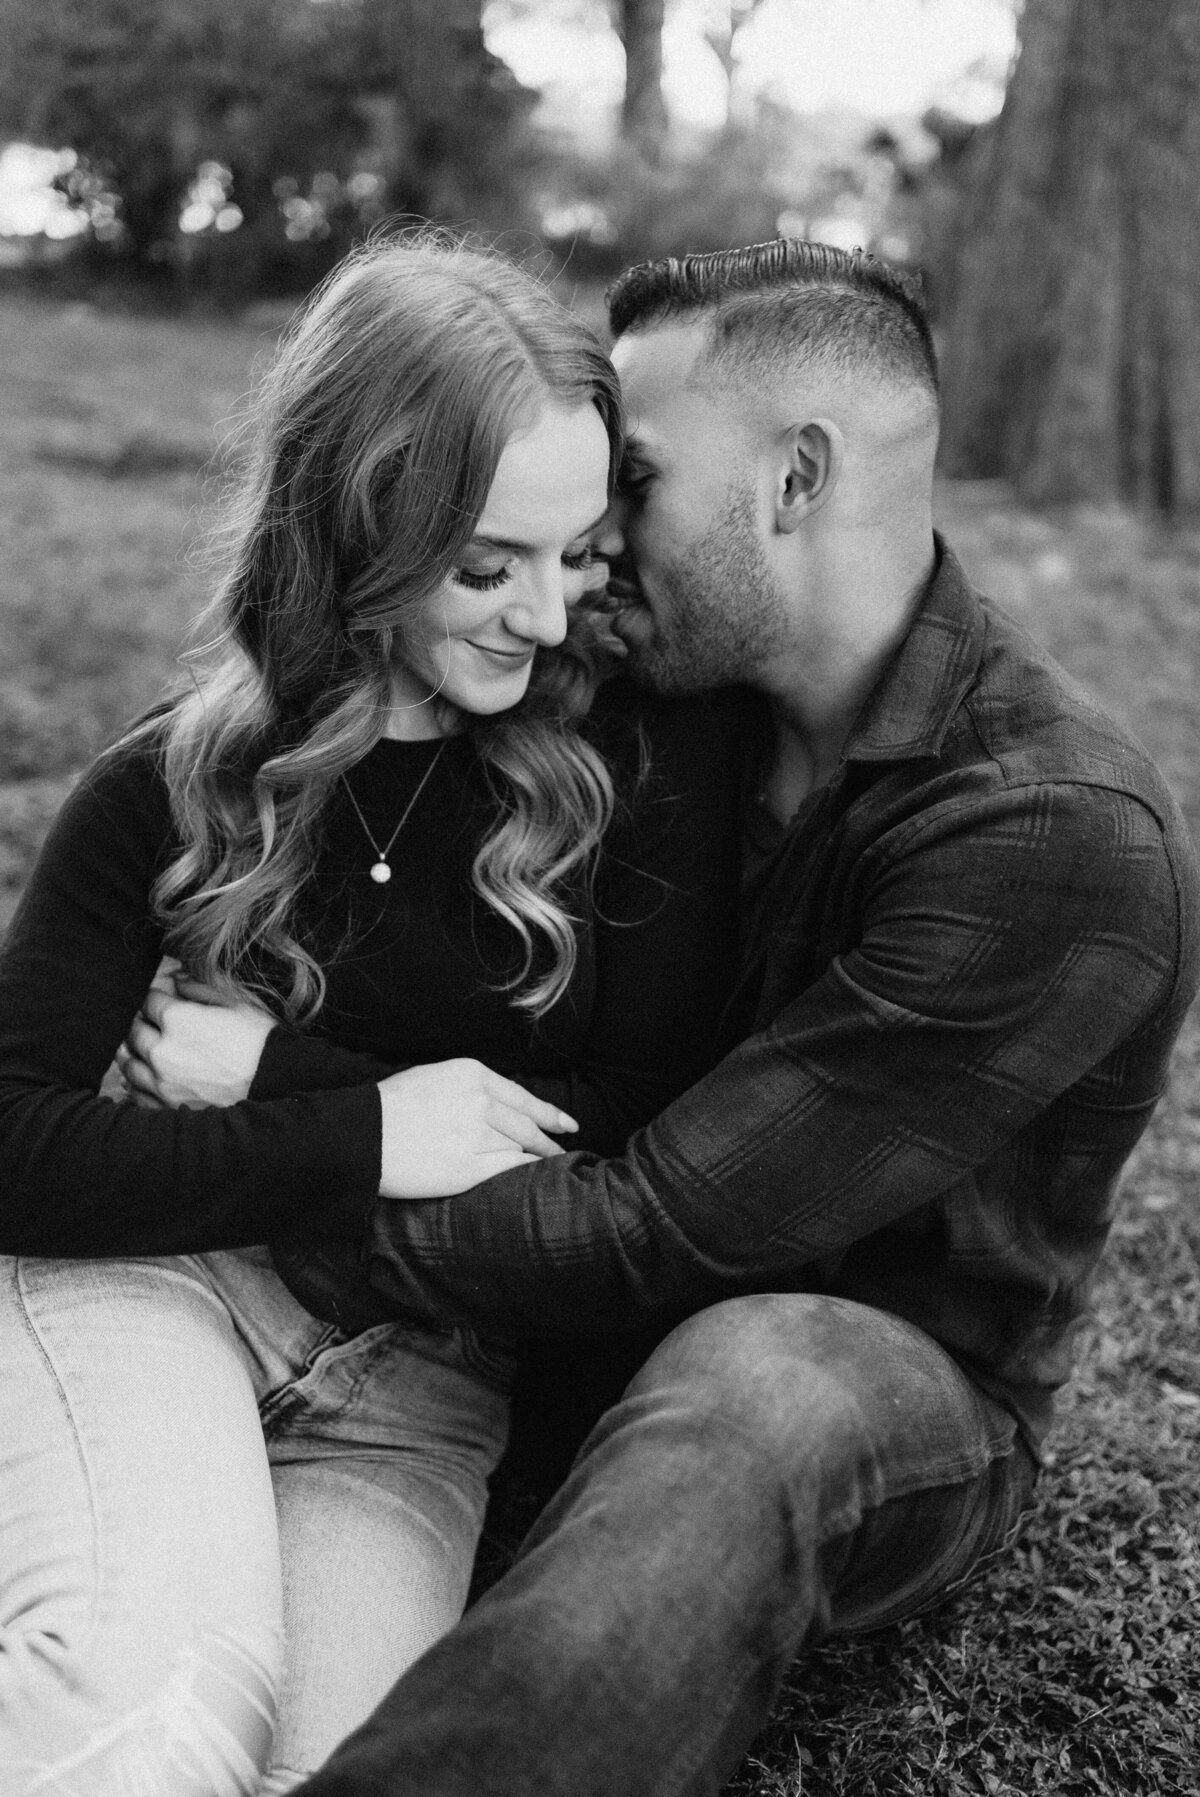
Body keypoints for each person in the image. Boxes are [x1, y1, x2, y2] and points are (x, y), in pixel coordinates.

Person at [221, 240, 1191, 1795]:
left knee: (758, 1377)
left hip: (877, 1363)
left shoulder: (1047, 828)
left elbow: (658, 1232)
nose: (595, 529)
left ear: (794, 480)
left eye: (642, 476)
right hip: (529, 1299)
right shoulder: (660, 690)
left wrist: (270, 1190)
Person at [0, 235, 744, 1793]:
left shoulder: (629, 789)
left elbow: (624, 1132)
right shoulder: (177, 781)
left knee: (348, 1770)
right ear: (362, 531)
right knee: (159, 1713)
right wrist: (377, 1130)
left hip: (421, 1381)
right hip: (160, 1286)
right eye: (489, 566)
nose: (547, 618)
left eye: (577, 554)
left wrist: (286, 1075)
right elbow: (19, 1147)